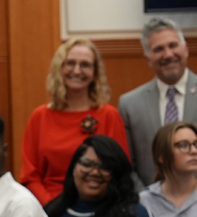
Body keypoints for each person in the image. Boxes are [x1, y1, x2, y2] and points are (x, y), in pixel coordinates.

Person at [119, 17, 197, 192]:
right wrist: (149, 202)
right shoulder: (129, 105)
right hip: (152, 211)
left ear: (185, 49)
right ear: (148, 58)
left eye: (173, 45)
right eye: (158, 49)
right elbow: (125, 167)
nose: (168, 54)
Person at [20, 38, 129, 205]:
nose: (77, 70)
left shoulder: (109, 116)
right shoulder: (39, 117)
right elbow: (30, 175)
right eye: (70, 63)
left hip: (97, 207)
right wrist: (52, 207)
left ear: (95, 73)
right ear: (60, 68)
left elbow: (120, 171)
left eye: (85, 65)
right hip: (48, 208)